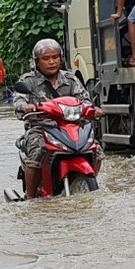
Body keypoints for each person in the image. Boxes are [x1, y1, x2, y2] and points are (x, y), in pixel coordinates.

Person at [10, 38, 85, 199]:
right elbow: (18, 102)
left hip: (69, 128)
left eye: (55, 57)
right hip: (40, 128)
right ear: (36, 62)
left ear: (61, 58)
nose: (51, 62)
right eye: (46, 59)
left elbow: (84, 100)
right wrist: (25, 107)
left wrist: (94, 109)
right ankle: (30, 197)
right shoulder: (27, 81)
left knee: (96, 149)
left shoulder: (70, 80)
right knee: (38, 152)